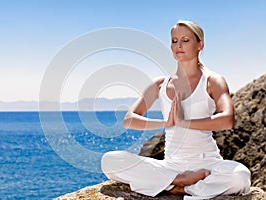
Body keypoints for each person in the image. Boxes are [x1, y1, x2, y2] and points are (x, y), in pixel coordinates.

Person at [101, 20, 251, 200]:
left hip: (207, 163)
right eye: (174, 40)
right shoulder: (160, 84)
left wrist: (184, 122)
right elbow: (129, 119)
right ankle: (181, 182)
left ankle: (178, 188)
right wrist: (166, 123)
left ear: (200, 45)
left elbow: (227, 120)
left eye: (186, 40)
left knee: (240, 176)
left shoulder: (213, 81)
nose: (178, 45)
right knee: (110, 160)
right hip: (171, 164)